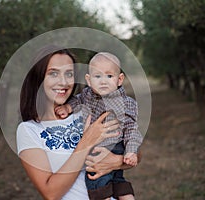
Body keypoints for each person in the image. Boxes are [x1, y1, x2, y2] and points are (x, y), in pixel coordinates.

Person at [17, 46, 138, 200]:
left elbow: (133, 148)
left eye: (69, 74)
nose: (63, 82)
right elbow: (51, 193)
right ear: (38, 78)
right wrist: (86, 143)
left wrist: (117, 161)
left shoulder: (88, 109)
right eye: (53, 73)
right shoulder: (29, 130)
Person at [55, 52, 143, 200]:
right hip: (99, 145)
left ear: (119, 79)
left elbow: (132, 129)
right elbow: (77, 100)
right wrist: (68, 108)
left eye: (109, 76)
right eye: (98, 76)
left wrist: (131, 151)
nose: (103, 81)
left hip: (109, 147)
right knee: (117, 182)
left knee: (96, 181)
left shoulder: (126, 103)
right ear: (89, 80)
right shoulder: (87, 94)